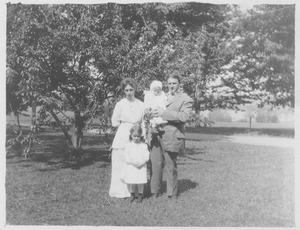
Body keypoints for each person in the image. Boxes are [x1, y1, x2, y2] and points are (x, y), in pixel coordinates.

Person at [149, 72, 193, 199]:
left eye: (174, 83)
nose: (171, 86)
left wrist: (164, 113)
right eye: (169, 83)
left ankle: (171, 193)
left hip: (172, 135)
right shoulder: (161, 95)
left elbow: (184, 117)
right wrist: (150, 114)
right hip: (156, 134)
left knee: (170, 165)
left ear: (179, 84)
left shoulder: (185, 98)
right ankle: (154, 191)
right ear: (166, 84)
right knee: (155, 164)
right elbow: (150, 109)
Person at [109, 77, 145, 198]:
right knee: (120, 162)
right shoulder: (120, 104)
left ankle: (132, 191)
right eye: (126, 90)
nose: (129, 92)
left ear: (135, 90)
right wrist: (125, 127)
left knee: (132, 162)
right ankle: (119, 191)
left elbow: (143, 123)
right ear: (123, 91)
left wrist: (142, 137)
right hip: (122, 134)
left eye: (131, 89)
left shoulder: (141, 104)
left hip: (136, 135)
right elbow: (114, 121)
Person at [121, 125, 150, 203]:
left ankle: (140, 194)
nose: (136, 138)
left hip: (141, 166)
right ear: (131, 136)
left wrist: (142, 162)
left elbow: (146, 155)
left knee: (140, 181)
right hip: (132, 166)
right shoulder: (129, 145)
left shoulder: (144, 146)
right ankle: (132, 194)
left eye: (138, 136)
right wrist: (133, 162)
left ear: (141, 136)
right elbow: (127, 156)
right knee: (132, 181)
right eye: (134, 136)